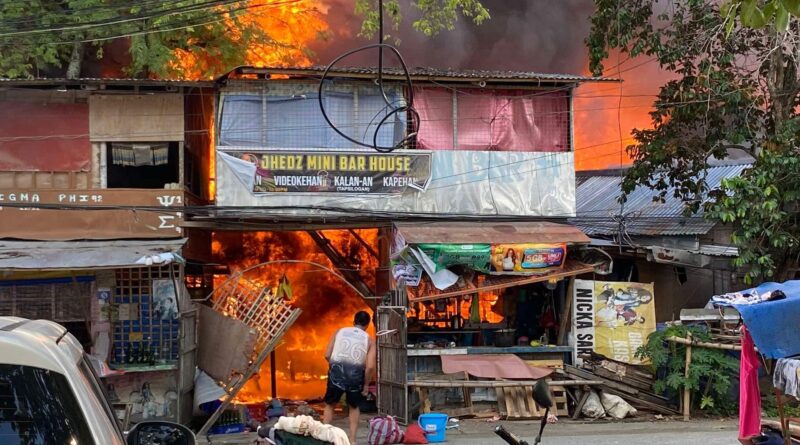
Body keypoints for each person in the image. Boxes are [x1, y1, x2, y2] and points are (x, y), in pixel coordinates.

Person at [322, 311, 376, 444]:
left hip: (336, 374)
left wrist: (336, 366)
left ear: (353, 321)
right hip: (355, 377)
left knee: (330, 404)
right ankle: (352, 441)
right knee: (354, 407)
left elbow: (327, 354)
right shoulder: (369, 340)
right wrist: (366, 384)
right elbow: (370, 367)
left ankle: (323, 438)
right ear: (367, 325)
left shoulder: (339, 332)